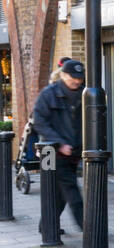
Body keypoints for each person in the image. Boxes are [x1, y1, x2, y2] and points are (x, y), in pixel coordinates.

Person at [32, 58, 85, 231]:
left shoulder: (85, 93)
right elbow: (39, 122)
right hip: (51, 151)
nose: (77, 81)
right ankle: (87, 228)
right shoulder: (48, 94)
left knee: (60, 193)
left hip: (73, 152)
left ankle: (46, 226)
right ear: (63, 75)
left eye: (80, 77)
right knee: (71, 190)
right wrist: (60, 143)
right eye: (73, 77)